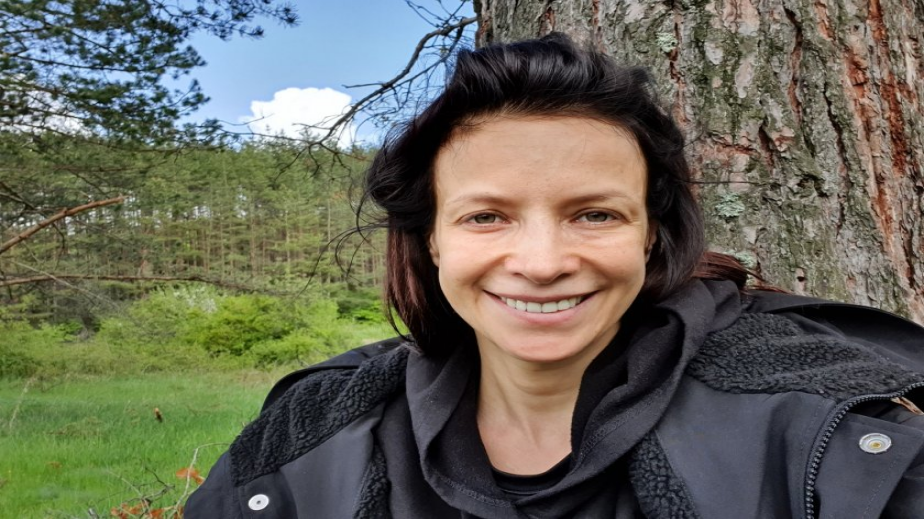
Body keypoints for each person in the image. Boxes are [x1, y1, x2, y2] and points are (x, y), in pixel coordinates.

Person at [186, 33, 924, 518]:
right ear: (431, 239)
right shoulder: (310, 437)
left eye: (594, 214)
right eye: (487, 217)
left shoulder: (831, 425)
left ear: (650, 234)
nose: (541, 263)